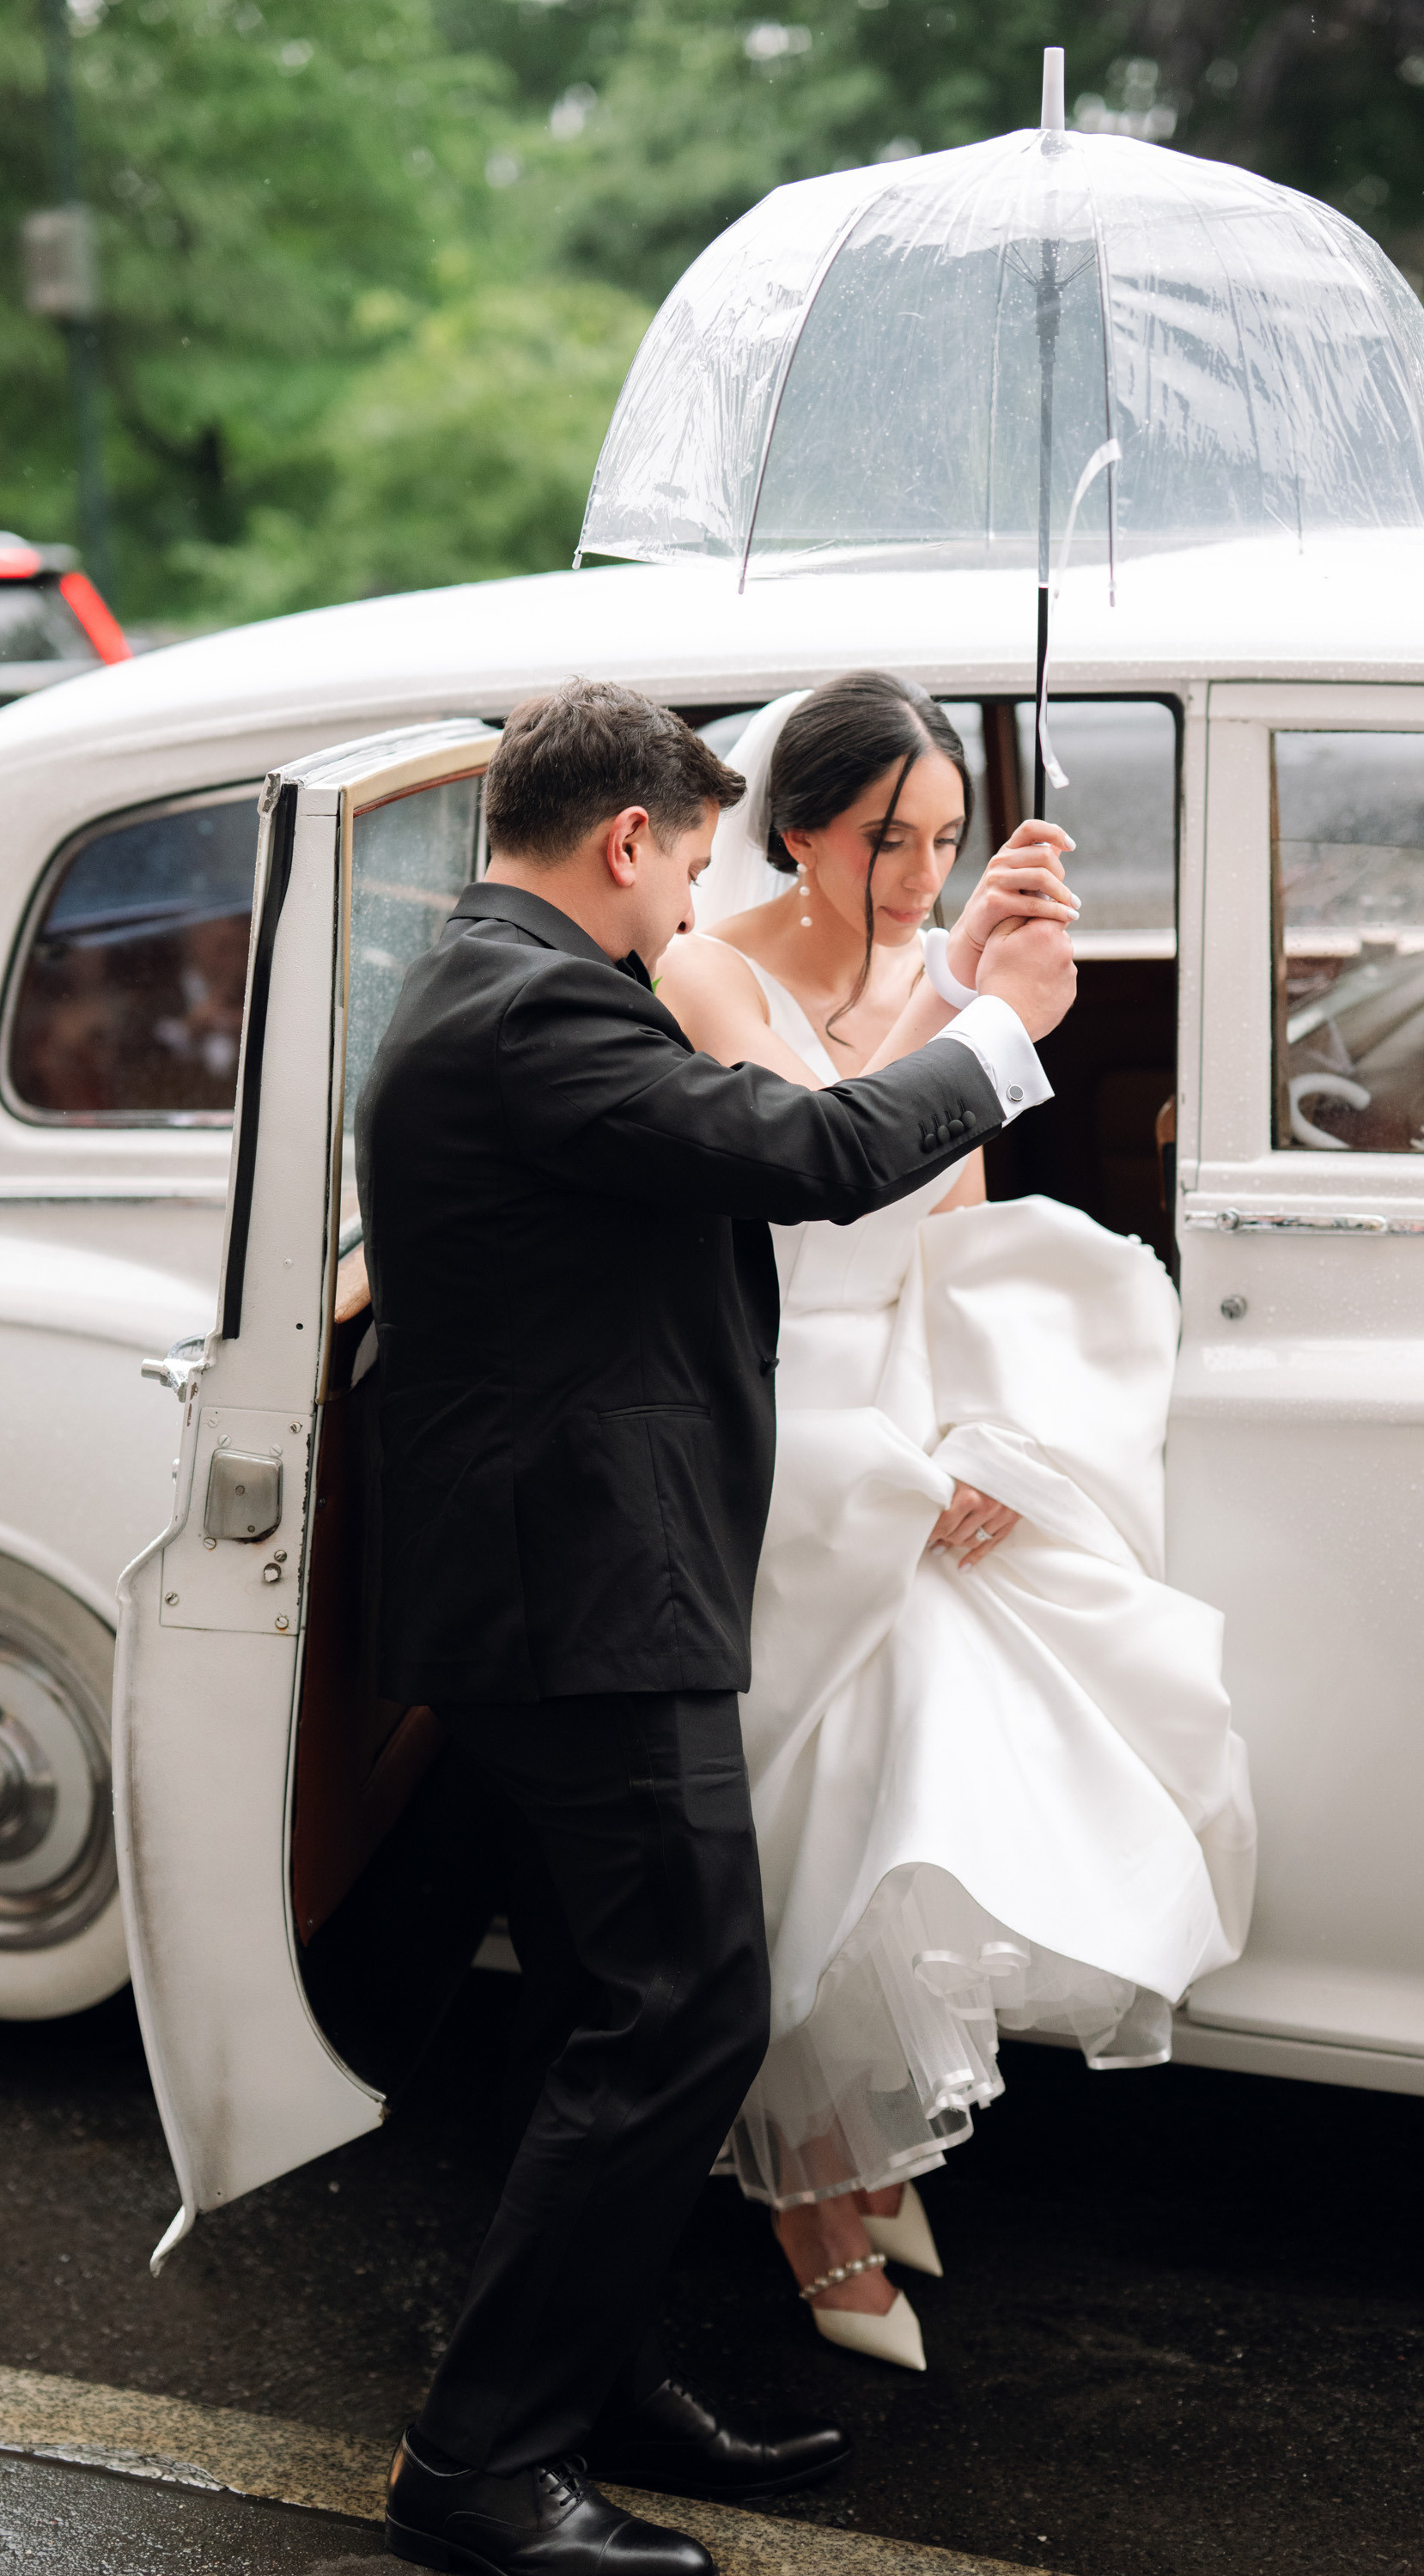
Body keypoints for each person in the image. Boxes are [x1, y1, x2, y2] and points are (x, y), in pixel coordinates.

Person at [356, 677, 1075, 2576]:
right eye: (686, 848)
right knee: (688, 2002)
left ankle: (577, 2381)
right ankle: (482, 2464)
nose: (696, 881)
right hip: (581, 1596)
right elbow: (807, 1158)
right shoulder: (538, 1012)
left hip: (566, 1577)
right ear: (625, 842)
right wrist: (1001, 1034)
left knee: (611, 2003)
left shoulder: (498, 991)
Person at [654, 675, 1257, 2372]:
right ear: (796, 832)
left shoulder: (933, 979)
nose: (918, 878)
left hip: (892, 1408)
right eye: (882, 842)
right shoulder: (709, 967)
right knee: (803, 1811)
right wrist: (989, 1027)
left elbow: (951, 1251)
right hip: (766, 1419)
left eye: (939, 842)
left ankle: (860, 2143)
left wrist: (972, 1438)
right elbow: (826, 1161)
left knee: (916, 1767)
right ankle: (800, 2193)